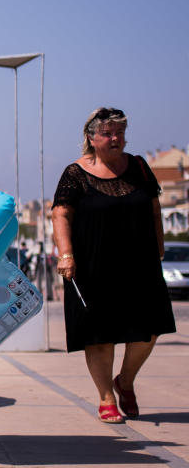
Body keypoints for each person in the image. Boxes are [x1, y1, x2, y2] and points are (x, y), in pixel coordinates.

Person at [52, 107, 175, 423]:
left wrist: (160, 246)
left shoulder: (139, 167)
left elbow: (154, 207)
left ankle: (126, 380)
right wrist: (66, 254)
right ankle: (107, 397)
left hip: (140, 263)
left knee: (148, 332)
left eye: (119, 131)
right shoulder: (75, 173)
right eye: (107, 133)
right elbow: (61, 213)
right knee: (100, 336)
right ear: (92, 138)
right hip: (93, 265)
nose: (115, 138)